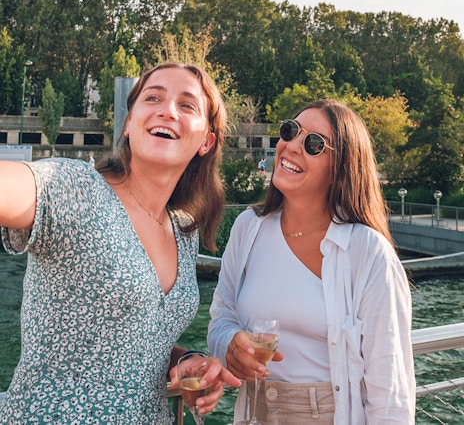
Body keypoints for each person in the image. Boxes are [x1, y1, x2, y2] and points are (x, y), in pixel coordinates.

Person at [0, 61, 240, 424]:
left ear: (207, 140)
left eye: (187, 105)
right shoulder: (75, 188)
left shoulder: (183, 230)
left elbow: (138, 340)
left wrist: (188, 360)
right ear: (129, 123)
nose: (166, 110)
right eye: (153, 98)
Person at [208, 98, 415, 424]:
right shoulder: (248, 228)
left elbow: (389, 390)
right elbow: (221, 320)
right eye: (290, 131)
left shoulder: (368, 253)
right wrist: (230, 347)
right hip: (255, 413)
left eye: (313, 144)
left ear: (341, 168)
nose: (291, 146)